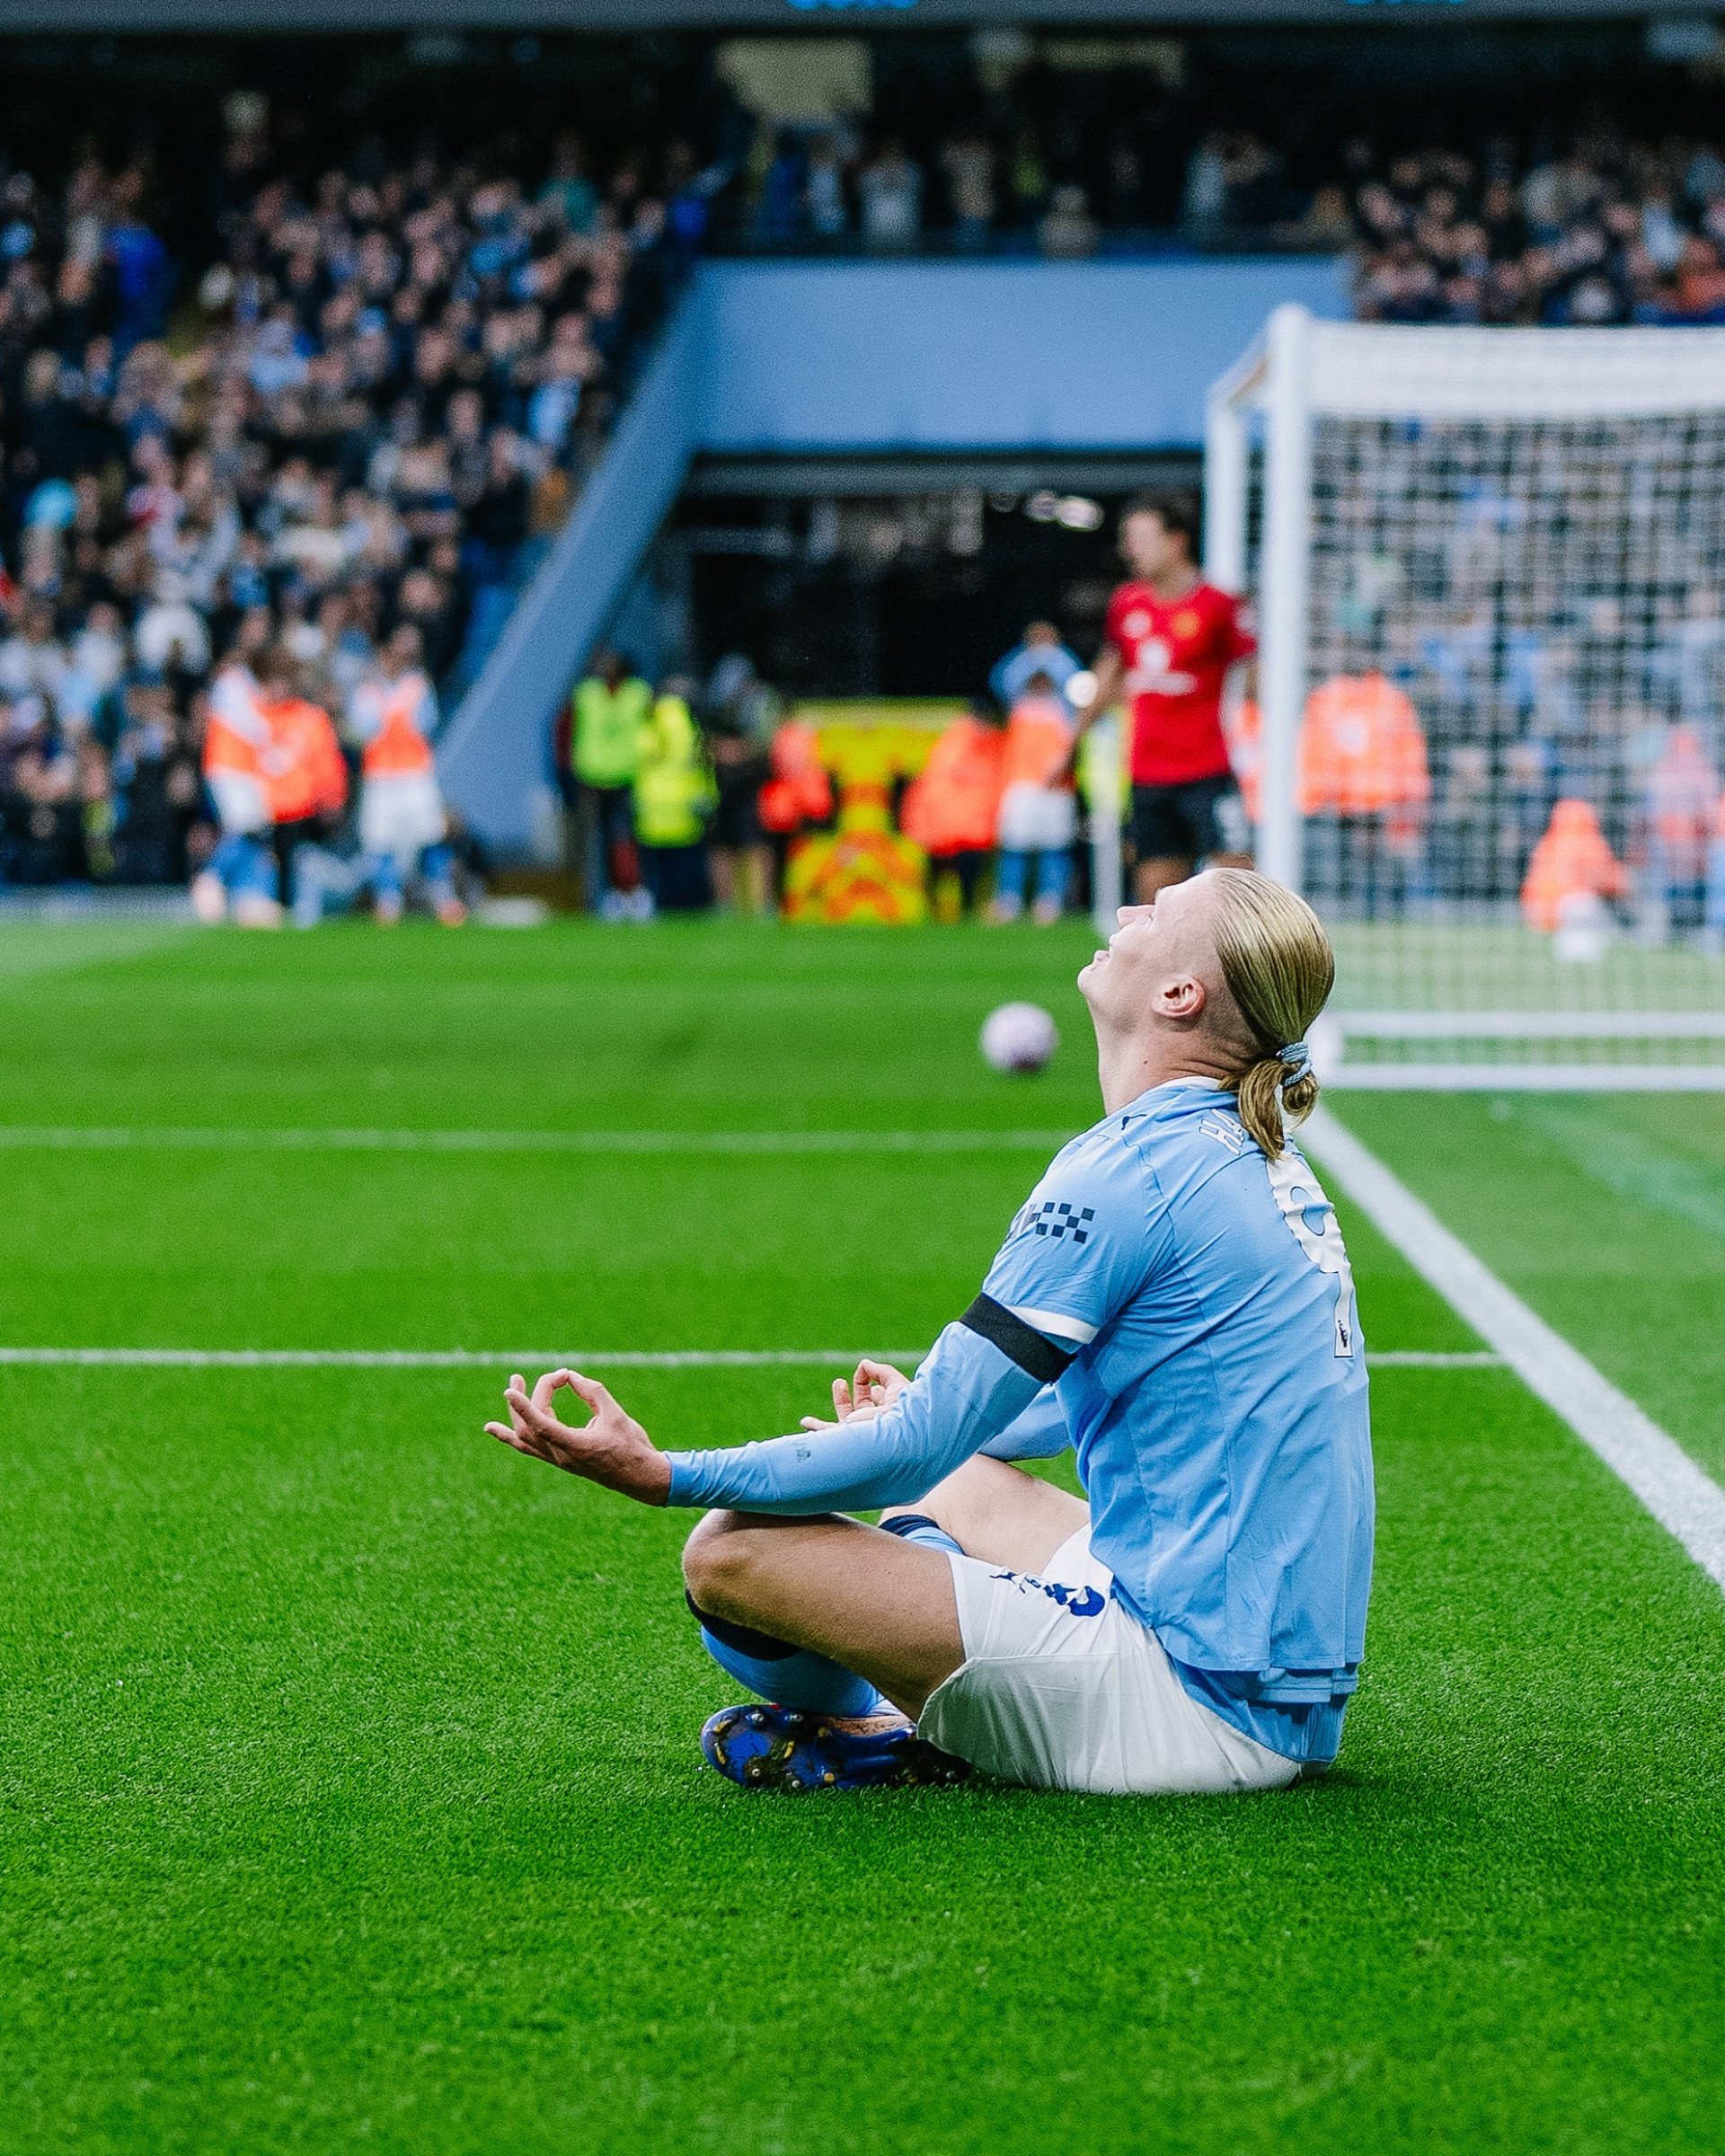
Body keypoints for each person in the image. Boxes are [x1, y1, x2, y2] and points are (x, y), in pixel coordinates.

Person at [485, 868, 1373, 1799]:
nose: (1124, 914)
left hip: (1187, 1707)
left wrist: (662, 1472)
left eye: (1156, 912)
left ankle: (892, 1724)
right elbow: (1148, 1398)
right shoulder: (1255, 1153)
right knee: (954, 1480)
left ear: (1180, 996)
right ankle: (926, 1702)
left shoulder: (1126, 1172)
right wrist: (938, 1429)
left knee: (728, 1551)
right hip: (1277, 1699)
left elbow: (910, 1451)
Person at [1075, 492, 1256, 904]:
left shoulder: (1219, 605)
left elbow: (1254, 674)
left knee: (1240, 889)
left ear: (1177, 541)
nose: (1129, 550)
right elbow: (1109, 673)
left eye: (1140, 538)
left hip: (1208, 771)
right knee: (1155, 897)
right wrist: (1071, 742)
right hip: (1148, 775)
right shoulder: (1127, 604)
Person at [345, 625, 464, 926]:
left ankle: (444, 896)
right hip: (381, 776)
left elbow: (426, 723)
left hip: (413, 773)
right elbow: (361, 729)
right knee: (379, 839)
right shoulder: (367, 692)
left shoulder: (417, 685)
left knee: (431, 833)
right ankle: (388, 899)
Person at [560, 650, 651, 920]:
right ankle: (606, 895)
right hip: (593, 779)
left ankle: (634, 892)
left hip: (628, 776)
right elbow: (570, 733)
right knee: (596, 841)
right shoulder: (586, 694)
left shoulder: (638, 693)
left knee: (626, 837)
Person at [990, 670, 1077, 925]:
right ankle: (1009, 900)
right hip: (1022, 787)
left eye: (1045, 682)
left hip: (1056, 790)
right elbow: (1003, 677)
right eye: (1036, 682)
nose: (1040, 687)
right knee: (1015, 848)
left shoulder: (1067, 713)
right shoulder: (1018, 712)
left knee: (1054, 848)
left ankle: (1050, 901)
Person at [632, 678, 714, 915]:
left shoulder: (650, 720)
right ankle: (690, 908)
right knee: (687, 868)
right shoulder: (691, 723)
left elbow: (639, 755)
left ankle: (662, 907)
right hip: (686, 804)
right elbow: (702, 762)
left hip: (654, 805)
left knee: (659, 870)